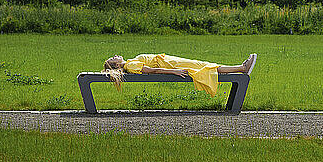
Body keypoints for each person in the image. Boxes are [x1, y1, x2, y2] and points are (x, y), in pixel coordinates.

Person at [102, 53, 257, 97]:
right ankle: (242, 68)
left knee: (203, 66)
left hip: (170, 62)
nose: (115, 55)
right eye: (113, 58)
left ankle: (241, 67)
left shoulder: (130, 63)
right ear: (116, 65)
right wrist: (174, 71)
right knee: (203, 67)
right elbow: (153, 71)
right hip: (171, 65)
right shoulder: (130, 64)